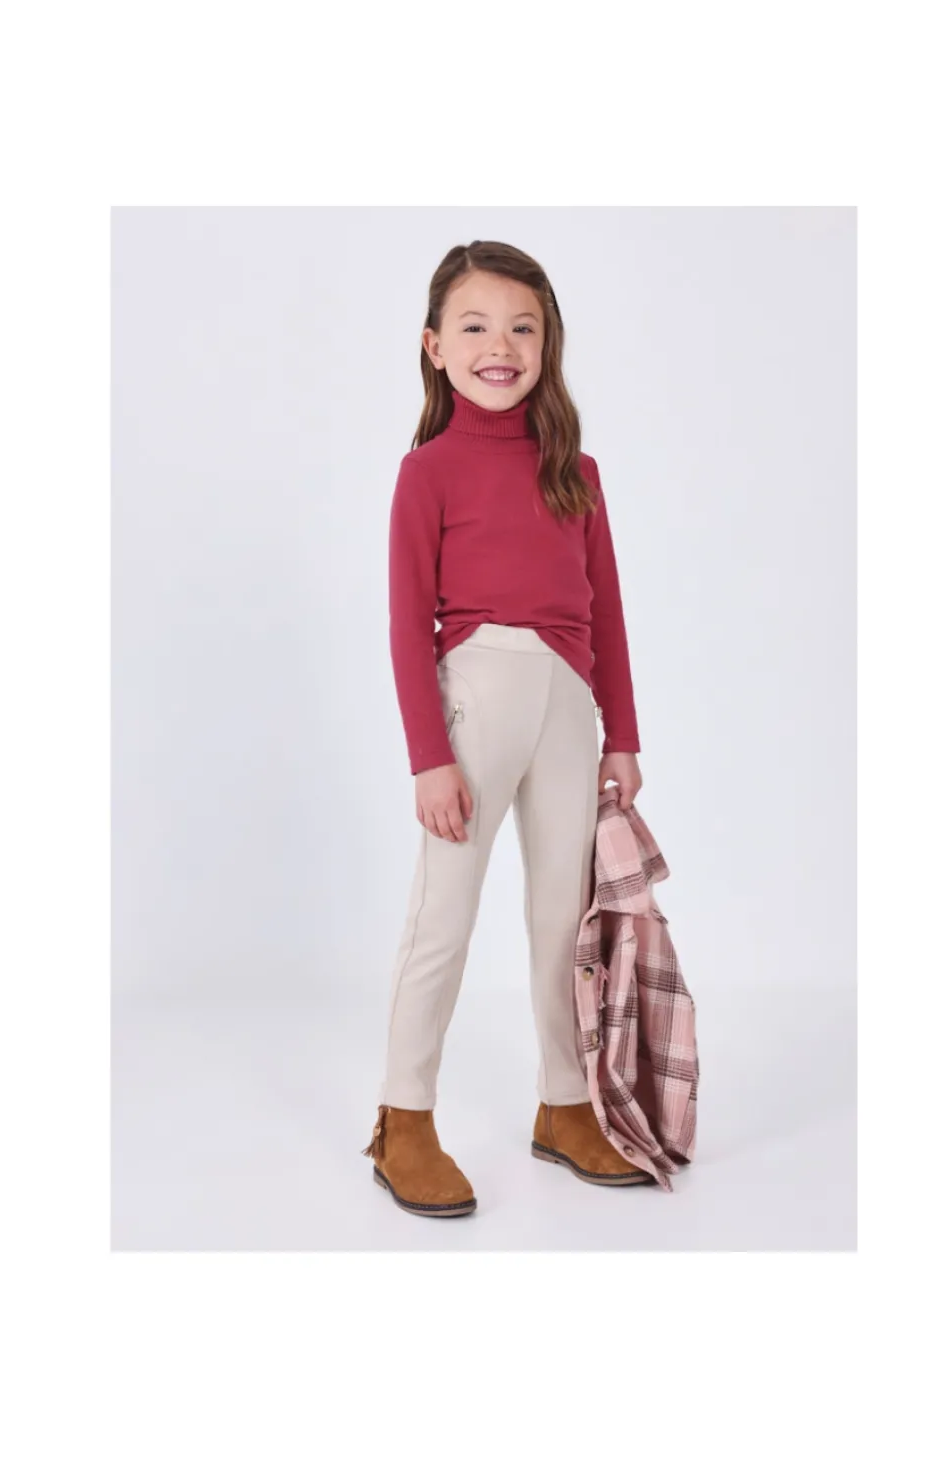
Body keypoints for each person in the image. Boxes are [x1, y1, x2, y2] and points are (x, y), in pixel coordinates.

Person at [361, 240, 656, 1218]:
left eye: (522, 328)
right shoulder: (427, 472)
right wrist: (429, 758)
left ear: (547, 344)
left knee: (561, 920)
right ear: (434, 346)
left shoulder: (577, 472)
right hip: (475, 700)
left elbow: (607, 611)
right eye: (476, 326)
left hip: (568, 704)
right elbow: (407, 624)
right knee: (444, 915)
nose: (500, 346)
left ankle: (565, 1104)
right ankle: (404, 1117)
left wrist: (621, 735)